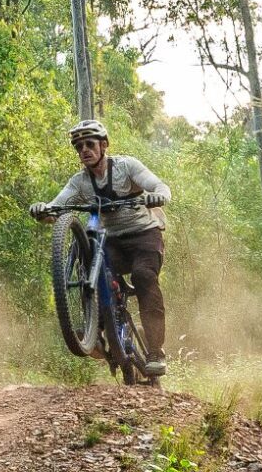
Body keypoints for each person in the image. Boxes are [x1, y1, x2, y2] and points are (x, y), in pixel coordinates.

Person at [30, 118, 171, 376]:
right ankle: (98, 332)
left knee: (143, 277)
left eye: (89, 144)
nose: (84, 150)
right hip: (112, 241)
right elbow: (56, 208)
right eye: (79, 146)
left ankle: (155, 352)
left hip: (144, 236)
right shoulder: (79, 182)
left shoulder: (126, 167)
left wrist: (158, 195)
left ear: (104, 145)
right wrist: (43, 210)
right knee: (93, 268)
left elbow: (159, 185)